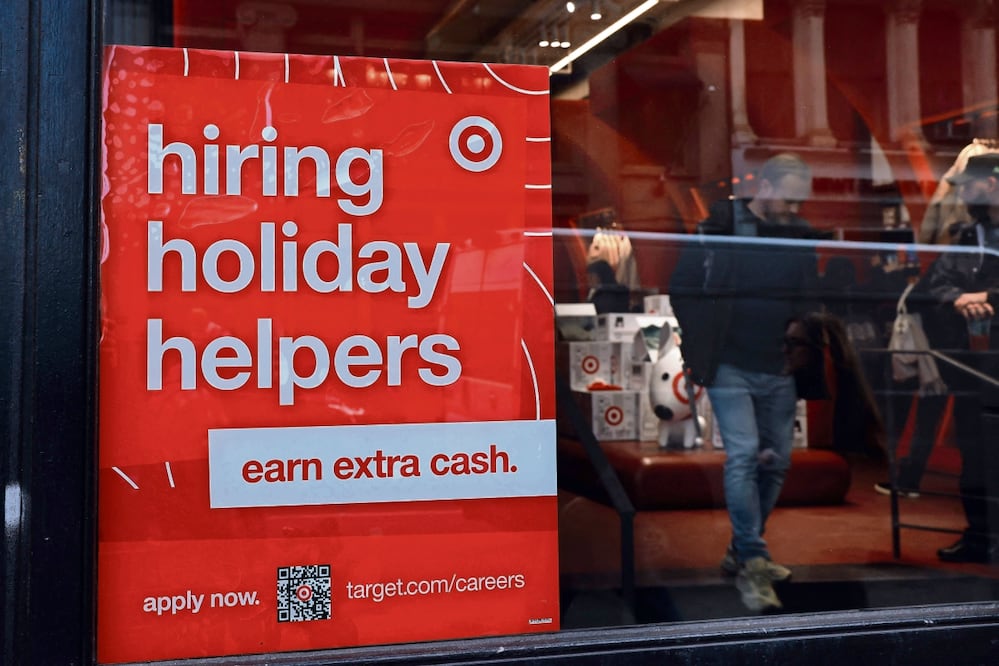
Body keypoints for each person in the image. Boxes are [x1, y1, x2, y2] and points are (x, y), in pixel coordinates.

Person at [670, 153, 820, 611]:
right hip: (729, 362)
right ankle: (754, 561)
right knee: (743, 453)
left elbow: (807, 294)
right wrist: (701, 348)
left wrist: (801, 335)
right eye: (789, 199)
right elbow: (683, 286)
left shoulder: (798, 234)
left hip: (777, 361)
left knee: (777, 461)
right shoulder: (720, 226)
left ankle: (742, 548)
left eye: (800, 202)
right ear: (767, 188)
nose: (795, 209)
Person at [920, 153, 999, 563]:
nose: (963, 192)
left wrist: (986, 298)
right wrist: (957, 299)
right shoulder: (971, 234)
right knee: (975, 454)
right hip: (974, 366)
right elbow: (935, 283)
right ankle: (978, 536)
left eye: (969, 184)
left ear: (990, 184)